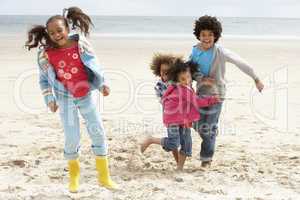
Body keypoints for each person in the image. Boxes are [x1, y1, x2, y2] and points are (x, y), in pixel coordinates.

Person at [25, 7, 117, 192]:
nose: (56, 35)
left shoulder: (81, 44)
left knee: (97, 131)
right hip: (65, 99)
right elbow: (44, 80)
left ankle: (104, 177)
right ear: (48, 34)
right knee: (72, 137)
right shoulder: (46, 54)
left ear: (67, 28)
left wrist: (102, 84)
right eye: (52, 33)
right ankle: (74, 178)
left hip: (85, 95)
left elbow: (94, 65)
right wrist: (50, 99)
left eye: (59, 30)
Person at [189, 15, 264, 167]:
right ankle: (211, 133)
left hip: (217, 94)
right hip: (201, 93)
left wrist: (255, 78)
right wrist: (201, 78)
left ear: (215, 35)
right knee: (198, 125)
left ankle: (206, 159)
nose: (207, 38)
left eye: (210, 34)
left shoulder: (220, 52)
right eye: (203, 34)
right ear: (199, 35)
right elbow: (189, 70)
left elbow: (240, 62)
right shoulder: (195, 51)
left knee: (208, 128)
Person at [141, 59, 219, 170]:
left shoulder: (187, 87)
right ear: (177, 80)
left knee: (187, 144)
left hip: (183, 120)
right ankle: (151, 139)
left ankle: (179, 168)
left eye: (188, 77)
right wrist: (212, 100)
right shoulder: (182, 89)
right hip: (173, 120)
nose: (186, 81)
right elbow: (196, 101)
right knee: (173, 143)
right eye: (182, 79)